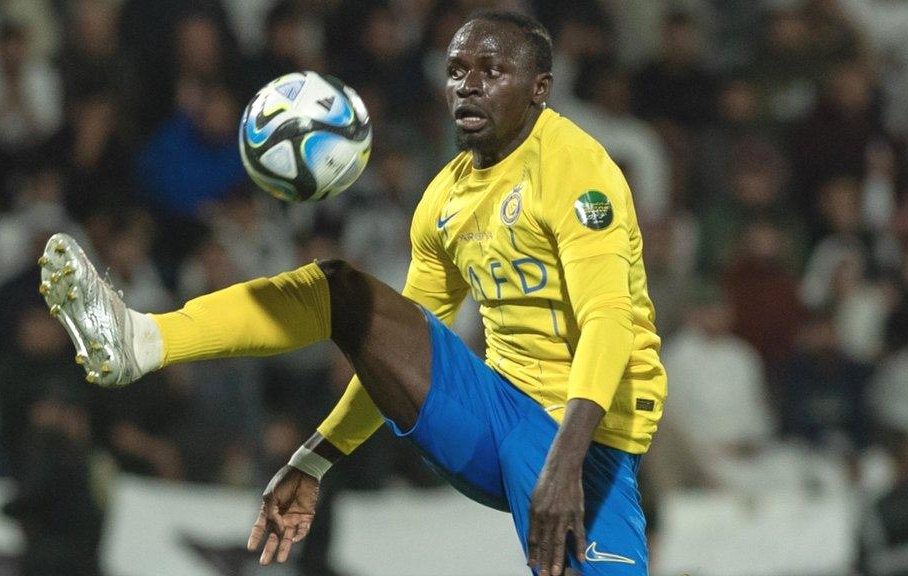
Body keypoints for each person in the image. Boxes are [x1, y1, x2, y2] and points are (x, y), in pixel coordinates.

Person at [38, 11, 665, 575]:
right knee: (344, 294)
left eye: (493, 70)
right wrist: (315, 458)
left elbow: (608, 320)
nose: (468, 86)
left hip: (587, 440)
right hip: (493, 413)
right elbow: (388, 347)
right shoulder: (444, 199)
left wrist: (563, 462)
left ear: (539, 89)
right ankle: (143, 339)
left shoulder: (578, 171)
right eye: (456, 70)